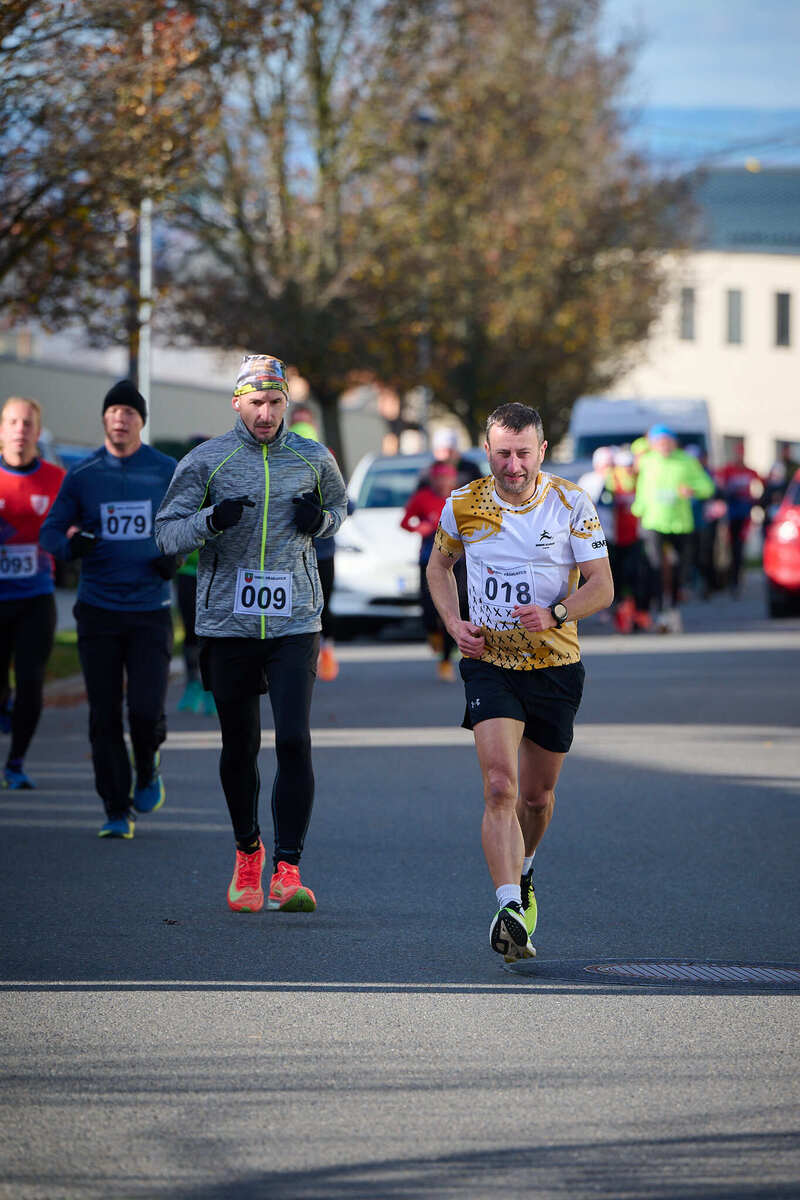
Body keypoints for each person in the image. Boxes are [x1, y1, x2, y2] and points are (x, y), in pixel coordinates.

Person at [154, 353, 347, 914]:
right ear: (237, 402)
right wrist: (210, 520)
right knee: (240, 745)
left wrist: (320, 522)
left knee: (294, 740)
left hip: (295, 621)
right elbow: (166, 534)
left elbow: (339, 508)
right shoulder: (205, 460)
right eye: (256, 402)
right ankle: (247, 853)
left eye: (275, 402)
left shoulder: (313, 457)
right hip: (227, 624)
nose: (266, 413)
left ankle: (288, 869)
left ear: (287, 403)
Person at [426, 402, 613, 962]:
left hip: (555, 665)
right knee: (500, 787)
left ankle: (525, 871)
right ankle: (508, 906)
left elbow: (602, 585)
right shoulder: (464, 504)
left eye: (523, 454)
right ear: (487, 451)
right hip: (490, 663)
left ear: (542, 451)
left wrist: (556, 613)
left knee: (536, 797)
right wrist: (454, 623)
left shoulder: (571, 503)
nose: (513, 465)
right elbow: (439, 567)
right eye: (503, 453)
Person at [40, 380, 178, 838]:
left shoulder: (165, 470)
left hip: (150, 610)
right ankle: (116, 809)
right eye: (113, 411)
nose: (120, 419)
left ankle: (147, 766)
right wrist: (72, 547)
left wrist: (176, 556)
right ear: (104, 419)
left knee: (144, 712)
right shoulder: (83, 474)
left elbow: (191, 524)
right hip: (98, 609)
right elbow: (50, 532)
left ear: (141, 421)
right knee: (104, 714)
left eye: (129, 412)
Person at [0, 398, 66, 788]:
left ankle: (16, 763)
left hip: (36, 597)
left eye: (27, 423)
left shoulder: (56, 479)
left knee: (31, 682)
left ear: (37, 432)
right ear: (1, 430)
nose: (20, 430)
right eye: (12, 422)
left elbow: (74, 524)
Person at [632, 425, 714, 633]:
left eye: (667, 442)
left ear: (674, 442)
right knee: (656, 567)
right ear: (652, 444)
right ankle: (661, 612)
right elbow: (642, 485)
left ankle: (673, 609)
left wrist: (692, 490)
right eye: (659, 442)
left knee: (678, 570)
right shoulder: (647, 460)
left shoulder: (687, 461)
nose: (664, 446)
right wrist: (638, 510)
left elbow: (708, 487)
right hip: (653, 522)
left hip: (680, 523)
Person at [288, 402, 340, 682]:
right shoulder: (278, 460)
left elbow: (344, 504)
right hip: (289, 550)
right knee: (294, 603)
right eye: (297, 424)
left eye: (306, 424)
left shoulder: (326, 459)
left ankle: (326, 651)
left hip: (322, 549)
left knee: (323, 601)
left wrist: (321, 512)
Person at [400, 460, 459, 680]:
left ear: (453, 478)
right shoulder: (422, 497)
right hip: (429, 558)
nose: (443, 482)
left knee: (454, 607)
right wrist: (420, 527)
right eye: (439, 478)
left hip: (458, 560)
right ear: (432, 479)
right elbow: (405, 522)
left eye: (447, 477)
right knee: (428, 607)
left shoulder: (462, 497)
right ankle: (432, 632)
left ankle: (446, 660)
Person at [715, 446, 762, 596]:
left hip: (744, 515)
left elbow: (762, 484)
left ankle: (736, 580)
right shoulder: (728, 470)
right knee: (728, 547)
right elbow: (718, 484)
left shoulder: (750, 472)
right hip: (730, 515)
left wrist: (756, 500)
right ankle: (728, 578)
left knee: (739, 547)